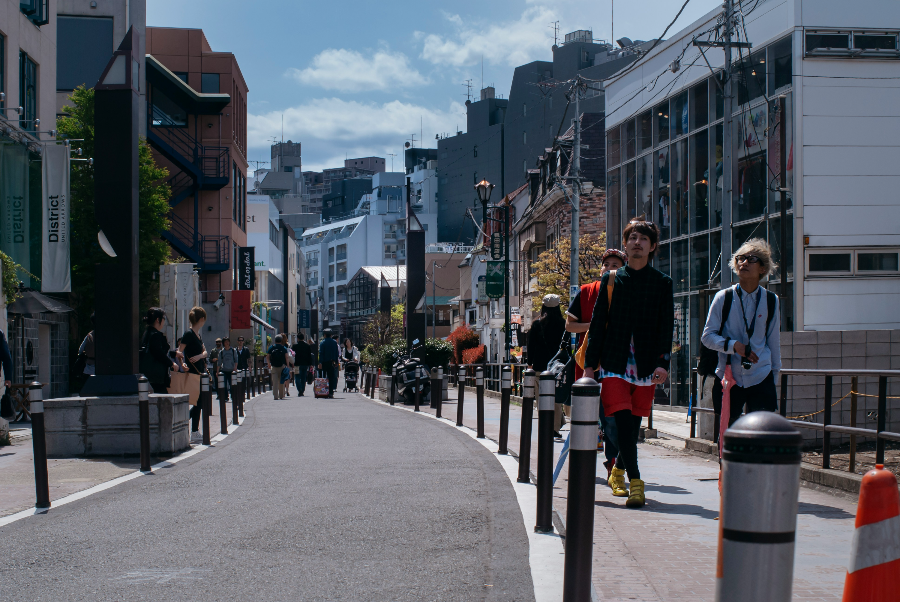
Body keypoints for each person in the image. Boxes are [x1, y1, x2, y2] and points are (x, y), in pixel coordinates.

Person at [585, 220, 674, 508]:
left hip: (647, 366)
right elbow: (597, 325)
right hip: (614, 362)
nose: (637, 242)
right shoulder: (612, 280)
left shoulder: (662, 283)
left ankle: (618, 471)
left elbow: (665, 328)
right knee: (622, 422)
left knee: (632, 426)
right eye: (632, 237)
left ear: (653, 246)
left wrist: (663, 362)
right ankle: (636, 482)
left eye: (644, 239)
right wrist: (589, 366)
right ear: (625, 244)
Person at [701, 238, 781, 429]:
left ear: (763, 268)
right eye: (740, 258)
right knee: (727, 435)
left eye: (751, 259)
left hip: (761, 375)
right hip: (728, 376)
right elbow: (707, 336)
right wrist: (733, 345)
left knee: (761, 435)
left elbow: (774, 342)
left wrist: (773, 378)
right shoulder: (723, 297)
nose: (743, 263)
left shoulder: (771, 300)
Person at [566, 248, 627, 476]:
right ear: (600, 268)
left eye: (616, 265)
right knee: (589, 417)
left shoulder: (629, 291)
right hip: (589, 362)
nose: (611, 268)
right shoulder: (586, 292)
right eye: (607, 264)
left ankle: (613, 463)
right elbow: (570, 325)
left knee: (612, 417)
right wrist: (595, 327)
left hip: (619, 363)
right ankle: (584, 465)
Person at [527, 294, 567, 435]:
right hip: (557, 367)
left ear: (543, 306)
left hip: (539, 367)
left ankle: (545, 425)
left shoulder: (537, 324)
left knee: (541, 398)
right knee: (556, 399)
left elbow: (531, 346)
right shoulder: (563, 324)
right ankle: (555, 427)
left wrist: (529, 363)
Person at [177, 306, 209, 438]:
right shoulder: (188, 334)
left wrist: (200, 356)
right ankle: (191, 428)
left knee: (199, 401)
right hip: (192, 372)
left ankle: (193, 430)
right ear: (201, 319)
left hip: (200, 371)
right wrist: (182, 364)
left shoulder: (198, 335)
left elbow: (205, 352)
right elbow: (179, 351)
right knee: (197, 401)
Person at [141, 308, 181, 394]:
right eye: (163, 319)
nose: (164, 321)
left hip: (147, 374)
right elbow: (158, 353)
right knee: (163, 401)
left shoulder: (146, 333)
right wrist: (172, 363)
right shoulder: (156, 335)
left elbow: (155, 351)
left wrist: (174, 354)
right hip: (156, 376)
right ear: (157, 320)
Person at [318, 329, 340, 398]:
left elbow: (321, 353)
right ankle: (330, 392)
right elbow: (336, 353)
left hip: (324, 362)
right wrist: (336, 362)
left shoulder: (322, 342)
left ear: (324, 335)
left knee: (324, 377)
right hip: (332, 362)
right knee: (331, 377)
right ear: (331, 335)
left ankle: (324, 392)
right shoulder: (334, 342)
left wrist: (320, 362)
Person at [266, 335, 290, 400]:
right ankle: (281, 395)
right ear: (281, 341)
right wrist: (287, 366)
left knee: (275, 382)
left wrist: (269, 363)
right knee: (281, 381)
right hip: (282, 366)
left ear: (275, 340)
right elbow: (287, 357)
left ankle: (275, 396)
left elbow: (267, 356)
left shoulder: (271, 347)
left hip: (273, 366)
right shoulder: (283, 348)